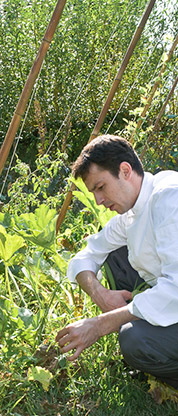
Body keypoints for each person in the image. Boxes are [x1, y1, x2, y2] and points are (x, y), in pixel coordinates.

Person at [56, 135, 178, 389]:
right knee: (113, 254)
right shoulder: (130, 211)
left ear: (125, 171)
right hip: (168, 298)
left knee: (134, 340)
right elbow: (86, 255)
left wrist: (100, 325)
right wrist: (99, 294)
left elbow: (175, 290)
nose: (99, 200)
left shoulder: (169, 199)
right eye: (93, 192)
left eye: (101, 187)